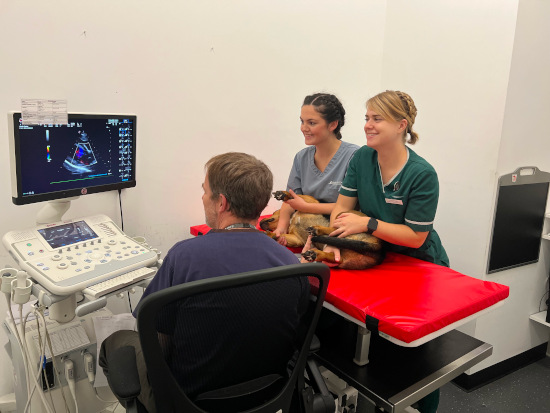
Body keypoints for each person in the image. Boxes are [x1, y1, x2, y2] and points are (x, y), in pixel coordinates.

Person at [99, 152, 308, 412]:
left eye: (205, 191)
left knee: (116, 342)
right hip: (264, 394)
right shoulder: (290, 264)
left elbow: (156, 341)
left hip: (188, 401)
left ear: (221, 203)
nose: (202, 197)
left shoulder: (183, 256)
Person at [325, 90, 448, 413]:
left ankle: (423, 408)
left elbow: (416, 237)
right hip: (379, 259)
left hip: (419, 265)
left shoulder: (422, 174)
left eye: (376, 119)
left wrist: (367, 223)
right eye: (366, 118)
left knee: (415, 357)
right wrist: (333, 240)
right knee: (369, 343)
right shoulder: (362, 159)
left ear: (401, 125)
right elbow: (342, 209)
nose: (367, 125)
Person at [274, 93, 359, 245]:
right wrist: (281, 228)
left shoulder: (354, 157)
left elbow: (349, 206)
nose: (303, 128)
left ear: (333, 125)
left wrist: (307, 207)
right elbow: (290, 199)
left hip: (342, 232)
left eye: (311, 123)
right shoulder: (302, 157)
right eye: (302, 121)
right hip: (307, 231)